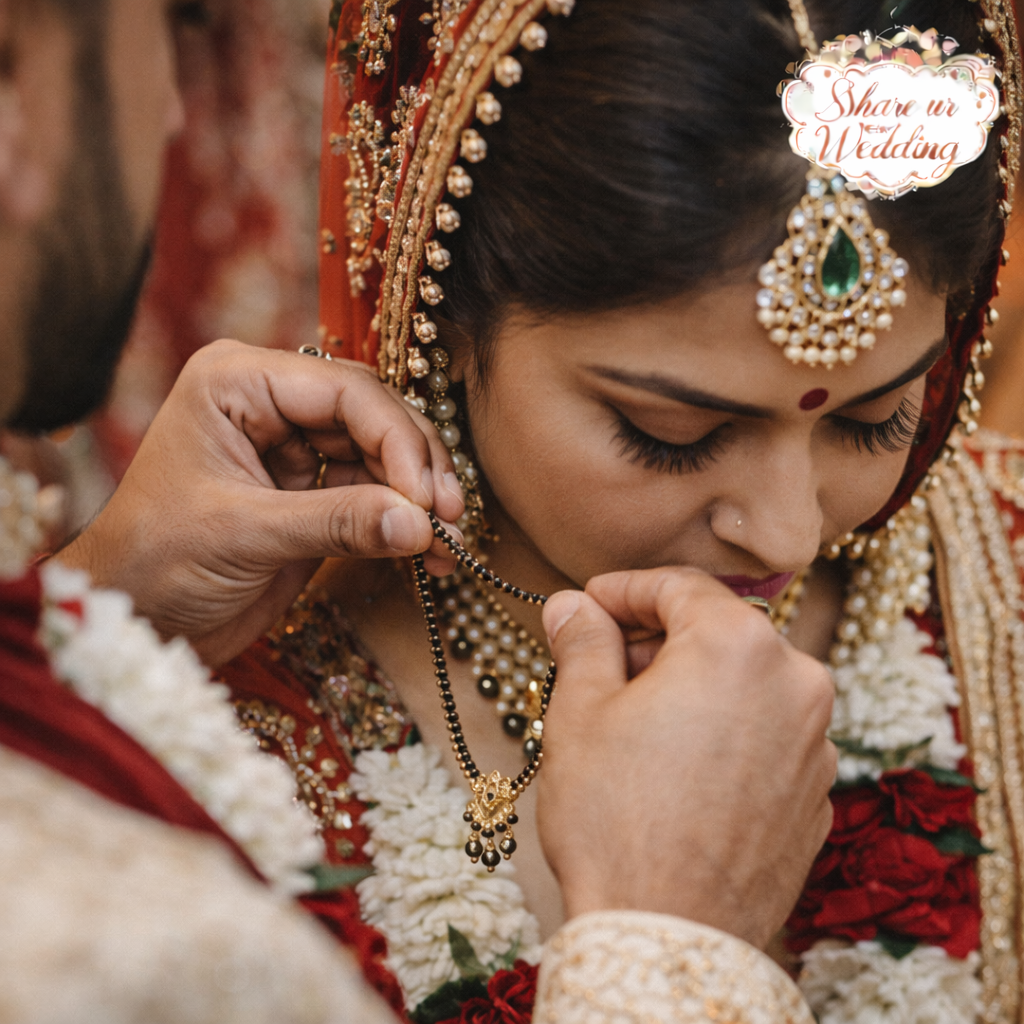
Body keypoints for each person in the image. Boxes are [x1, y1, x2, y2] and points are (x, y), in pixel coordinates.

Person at [83, 0, 1016, 1020]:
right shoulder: (193, 731)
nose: (789, 532)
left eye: (874, 419)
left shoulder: (998, 587)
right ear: (443, 315)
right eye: (671, 432)